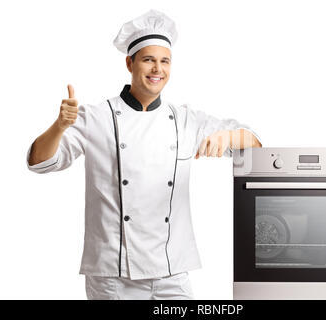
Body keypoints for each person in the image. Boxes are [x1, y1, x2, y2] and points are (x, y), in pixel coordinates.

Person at [26, 9, 262, 300]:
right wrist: (60, 126)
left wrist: (228, 136)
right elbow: (40, 162)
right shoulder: (96, 117)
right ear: (130, 62)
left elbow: (255, 145)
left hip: (171, 271)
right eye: (149, 59)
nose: (157, 69)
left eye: (165, 61)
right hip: (113, 275)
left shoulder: (186, 120)